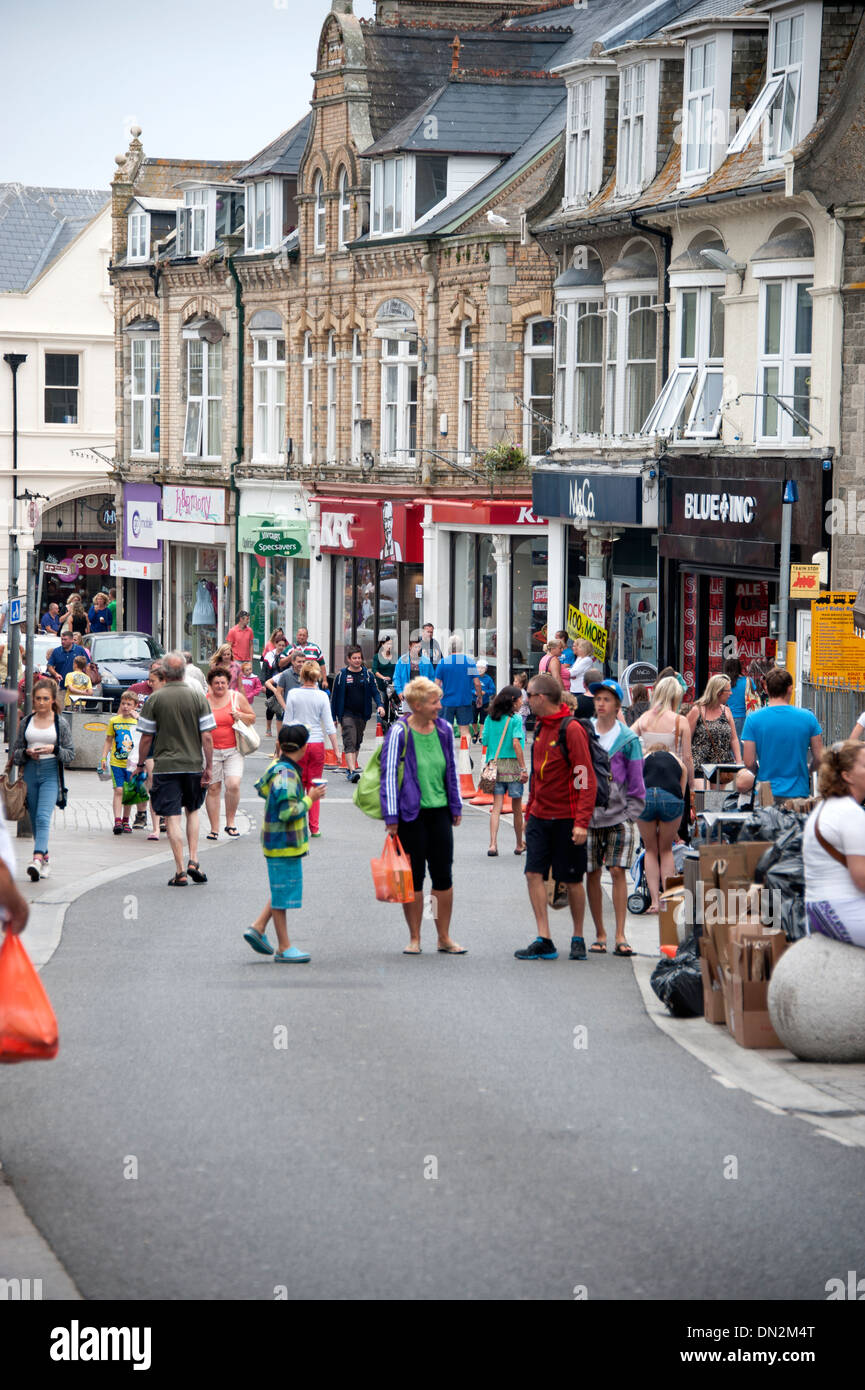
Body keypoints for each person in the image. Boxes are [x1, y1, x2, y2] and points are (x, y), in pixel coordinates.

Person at [380, 676, 466, 955]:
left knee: (442, 876)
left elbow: (451, 770)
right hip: (409, 815)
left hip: (439, 812)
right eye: (434, 702)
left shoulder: (442, 729)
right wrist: (391, 816)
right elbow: (389, 775)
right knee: (414, 878)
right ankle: (415, 937)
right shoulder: (399, 732)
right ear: (416, 705)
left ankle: (442, 936)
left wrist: (455, 805)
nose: (440, 707)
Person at [514, 672, 596, 961]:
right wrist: (528, 812)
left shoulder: (570, 729)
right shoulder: (539, 728)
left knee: (572, 879)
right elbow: (537, 776)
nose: (526, 701)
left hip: (567, 818)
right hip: (539, 816)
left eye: (529, 696)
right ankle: (544, 937)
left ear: (540, 697)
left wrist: (582, 821)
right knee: (533, 874)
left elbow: (585, 777)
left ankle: (578, 936)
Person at [243, 724, 328, 963]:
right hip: (284, 842)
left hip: (278, 842)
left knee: (282, 889)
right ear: (303, 748)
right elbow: (287, 812)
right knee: (282, 894)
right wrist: (309, 799)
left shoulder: (277, 768)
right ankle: (283, 945)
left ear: (280, 745)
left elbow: (262, 788)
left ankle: (259, 927)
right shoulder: (287, 775)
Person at [135, 652, 216, 887]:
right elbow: (207, 737)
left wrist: (141, 764)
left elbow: (146, 739)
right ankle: (194, 859)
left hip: (165, 766)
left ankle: (180, 870)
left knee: (172, 817)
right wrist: (208, 766)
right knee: (192, 810)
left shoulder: (155, 700)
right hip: (193, 764)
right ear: (183, 671)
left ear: (165, 673)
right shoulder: (198, 697)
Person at [580, 679, 646, 957]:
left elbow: (637, 781)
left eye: (606, 699)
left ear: (618, 705)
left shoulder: (628, 739)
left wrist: (630, 814)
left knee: (618, 871)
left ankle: (620, 934)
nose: (600, 703)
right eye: (597, 699)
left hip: (620, 817)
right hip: (589, 815)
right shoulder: (584, 733)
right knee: (592, 873)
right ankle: (600, 933)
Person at [10, 678, 74, 881]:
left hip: (50, 773)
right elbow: (15, 753)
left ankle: (36, 858)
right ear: (32, 700)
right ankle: (45, 859)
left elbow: (70, 754)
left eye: (46, 699)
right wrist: (27, 753)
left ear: (53, 700)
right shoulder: (26, 721)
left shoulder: (60, 723)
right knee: (36, 818)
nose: (41, 702)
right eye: (38, 698)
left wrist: (53, 749)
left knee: (43, 817)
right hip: (29, 772)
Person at [803, 742, 865, 947]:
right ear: (847, 776)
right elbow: (861, 878)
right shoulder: (850, 813)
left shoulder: (828, 808)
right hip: (841, 909)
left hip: (818, 907)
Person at [741, 667, 823, 801]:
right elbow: (820, 757)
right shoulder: (808, 718)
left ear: (766, 689)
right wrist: (807, 770)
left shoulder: (753, 719)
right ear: (790, 689)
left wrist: (760, 773)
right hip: (798, 793)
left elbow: (749, 762)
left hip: (765, 792)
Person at [283, 660, 339, 837]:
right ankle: (314, 827)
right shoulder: (322, 696)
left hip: (296, 744)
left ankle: (297, 823)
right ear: (316, 676)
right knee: (314, 785)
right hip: (316, 744)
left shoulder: (293, 694)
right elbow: (330, 726)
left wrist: (281, 749)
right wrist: (337, 750)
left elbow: (287, 723)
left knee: (297, 785)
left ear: (302, 675)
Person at [204, 664, 256, 840]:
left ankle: (231, 822)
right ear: (210, 684)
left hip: (233, 749)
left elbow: (252, 717)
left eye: (223, 683)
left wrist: (239, 715)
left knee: (233, 784)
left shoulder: (236, 697)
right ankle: (214, 828)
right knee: (213, 788)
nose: (220, 686)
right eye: (216, 683)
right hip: (211, 752)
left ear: (228, 683)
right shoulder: (204, 700)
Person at [637, 743, 688, 914]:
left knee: (650, 850)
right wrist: (674, 833)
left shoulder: (642, 759)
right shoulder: (678, 762)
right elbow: (681, 794)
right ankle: (667, 902)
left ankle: (654, 902)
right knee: (666, 850)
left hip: (646, 798)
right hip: (671, 799)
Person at [482, 685, 529, 857]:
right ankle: (518, 844)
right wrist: (523, 768)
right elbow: (517, 743)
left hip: (494, 767)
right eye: (520, 699)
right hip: (513, 767)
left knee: (496, 807)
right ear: (513, 701)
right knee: (517, 808)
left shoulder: (490, 718)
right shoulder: (515, 719)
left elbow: (485, 740)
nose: (522, 702)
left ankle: (493, 844)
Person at [329, 645, 385, 780]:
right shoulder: (342, 675)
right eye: (354, 658)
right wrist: (333, 717)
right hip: (346, 714)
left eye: (359, 658)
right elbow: (334, 698)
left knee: (357, 742)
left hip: (362, 714)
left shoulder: (367, 675)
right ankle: (353, 771)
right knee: (350, 739)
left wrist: (380, 705)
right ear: (348, 659)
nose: (357, 660)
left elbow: (375, 692)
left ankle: (350, 768)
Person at [631, 676, 695, 790]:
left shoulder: (645, 718)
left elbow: (626, 740)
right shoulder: (680, 721)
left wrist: (645, 752)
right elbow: (687, 757)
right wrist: (691, 785)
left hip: (647, 777)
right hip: (673, 778)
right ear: (676, 697)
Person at [127, 663, 166, 837]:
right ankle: (145, 817)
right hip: (141, 742)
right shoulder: (139, 689)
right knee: (144, 781)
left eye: (154, 680)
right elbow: (124, 704)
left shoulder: (168, 697)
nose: (150, 683)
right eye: (149, 679)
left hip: (162, 745)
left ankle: (162, 817)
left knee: (157, 782)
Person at [687, 673, 741, 782]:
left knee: (721, 798)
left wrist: (739, 763)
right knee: (704, 797)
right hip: (700, 767)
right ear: (718, 692)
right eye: (728, 691)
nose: (731, 693)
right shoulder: (697, 711)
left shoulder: (726, 711)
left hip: (723, 767)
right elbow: (686, 740)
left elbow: (734, 739)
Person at [100, 690, 139, 835]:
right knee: (119, 790)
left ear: (135, 706)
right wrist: (104, 757)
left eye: (129, 704)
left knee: (128, 792)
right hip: (117, 761)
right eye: (123, 703)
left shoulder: (137, 721)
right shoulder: (114, 721)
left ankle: (126, 820)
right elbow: (108, 740)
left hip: (132, 762)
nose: (125, 707)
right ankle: (117, 820)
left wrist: (140, 719)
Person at [435, 636, 482, 744]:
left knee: (446, 730)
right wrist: (479, 696)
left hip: (446, 702)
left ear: (449, 647)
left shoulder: (443, 663)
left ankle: (448, 755)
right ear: (461, 647)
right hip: (464, 701)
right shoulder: (469, 662)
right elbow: (477, 683)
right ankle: (464, 757)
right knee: (465, 731)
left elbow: (436, 685)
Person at [393, 637, 435, 712]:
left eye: (419, 647)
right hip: (407, 696)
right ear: (410, 646)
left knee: (421, 720)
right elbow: (396, 677)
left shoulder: (426, 661)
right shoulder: (402, 660)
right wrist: (399, 691)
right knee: (408, 720)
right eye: (415, 647)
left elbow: (432, 678)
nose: (417, 649)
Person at [725, 657, 748, 740]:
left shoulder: (723, 682)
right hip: (744, 717)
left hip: (726, 717)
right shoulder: (748, 681)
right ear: (739, 667)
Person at [472, 660, 495, 742]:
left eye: (482, 668)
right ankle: (476, 732)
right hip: (473, 701)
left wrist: (485, 692)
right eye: (478, 667)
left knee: (483, 719)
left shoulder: (488, 679)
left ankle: (481, 735)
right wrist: (474, 692)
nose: (480, 669)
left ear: (486, 669)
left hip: (484, 702)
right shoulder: (473, 677)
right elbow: (468, 688)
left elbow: (492, 690)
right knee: (473, 719)